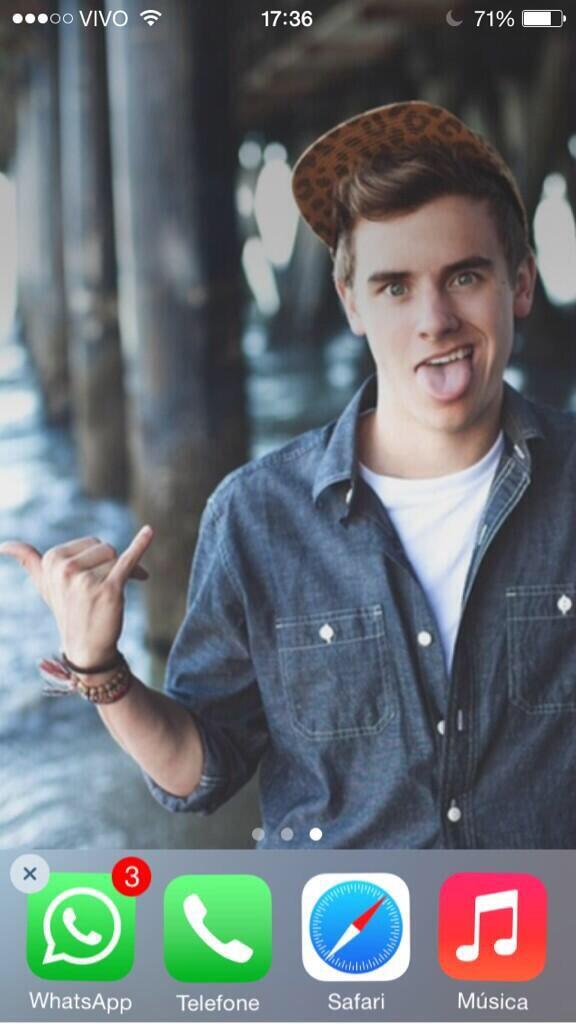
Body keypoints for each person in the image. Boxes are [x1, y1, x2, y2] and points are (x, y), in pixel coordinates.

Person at [2, 101, 574, 849]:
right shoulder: (257, 515)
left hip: (537, 918)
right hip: (345, 921)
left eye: (464, 276)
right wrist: (100, 666)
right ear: (352, 303)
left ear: (521, 284)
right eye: (395, 287)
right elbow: (203, 771)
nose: (434, 319)